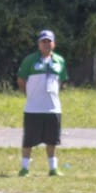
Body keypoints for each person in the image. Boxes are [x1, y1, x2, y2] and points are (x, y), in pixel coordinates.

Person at [17, 29, 67, 176]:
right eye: (43, 41)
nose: (46, 44)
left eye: (49, 41)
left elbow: (61, 81)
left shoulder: (59, 61)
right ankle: (24, 168)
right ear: (39, 44)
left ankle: (53, 168)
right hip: (33, 108)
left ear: (54, 44)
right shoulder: (30, 60)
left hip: (53, 108)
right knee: (29, 140)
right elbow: (21, 80)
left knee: (52, 140)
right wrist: (29, 94)